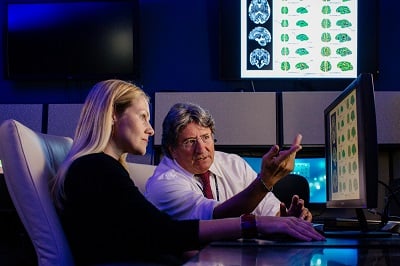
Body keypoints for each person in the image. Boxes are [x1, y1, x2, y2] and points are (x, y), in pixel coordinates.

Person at [51, 80, 324, 265]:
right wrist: (257, 222)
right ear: (113, 115)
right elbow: (163, 233)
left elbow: (148, 235)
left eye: (206, 138)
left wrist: (279, 220)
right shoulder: (95, 168)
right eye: (143, 117)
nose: (150, 129)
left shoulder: (103, 169)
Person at [145, 102, 311, 221]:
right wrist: (265, 181)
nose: (201, 149)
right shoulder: (163, 183)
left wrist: (288, 219)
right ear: (172, 148)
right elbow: (216, 218)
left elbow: (270, 209)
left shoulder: (233, 163)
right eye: (189, 141)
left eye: (205, 137)